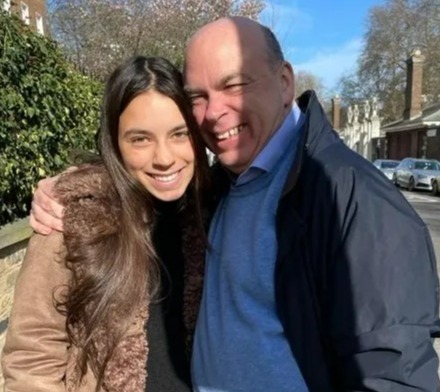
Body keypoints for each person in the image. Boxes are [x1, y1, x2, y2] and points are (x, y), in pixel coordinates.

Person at [28, 17, 440, 391]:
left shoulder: (348, 196)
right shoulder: (223, 187)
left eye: (235, 85)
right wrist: (71, 188)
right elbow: (33, 353)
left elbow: (392, 373)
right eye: (199, 97)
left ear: (284, 82)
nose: (216, 112)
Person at [1, 55, 209, 391]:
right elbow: (32, 356)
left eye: (179, 134)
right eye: (140, 139)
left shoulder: (216, 212)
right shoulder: (73, 218)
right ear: (115, 143)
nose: (165, 157)